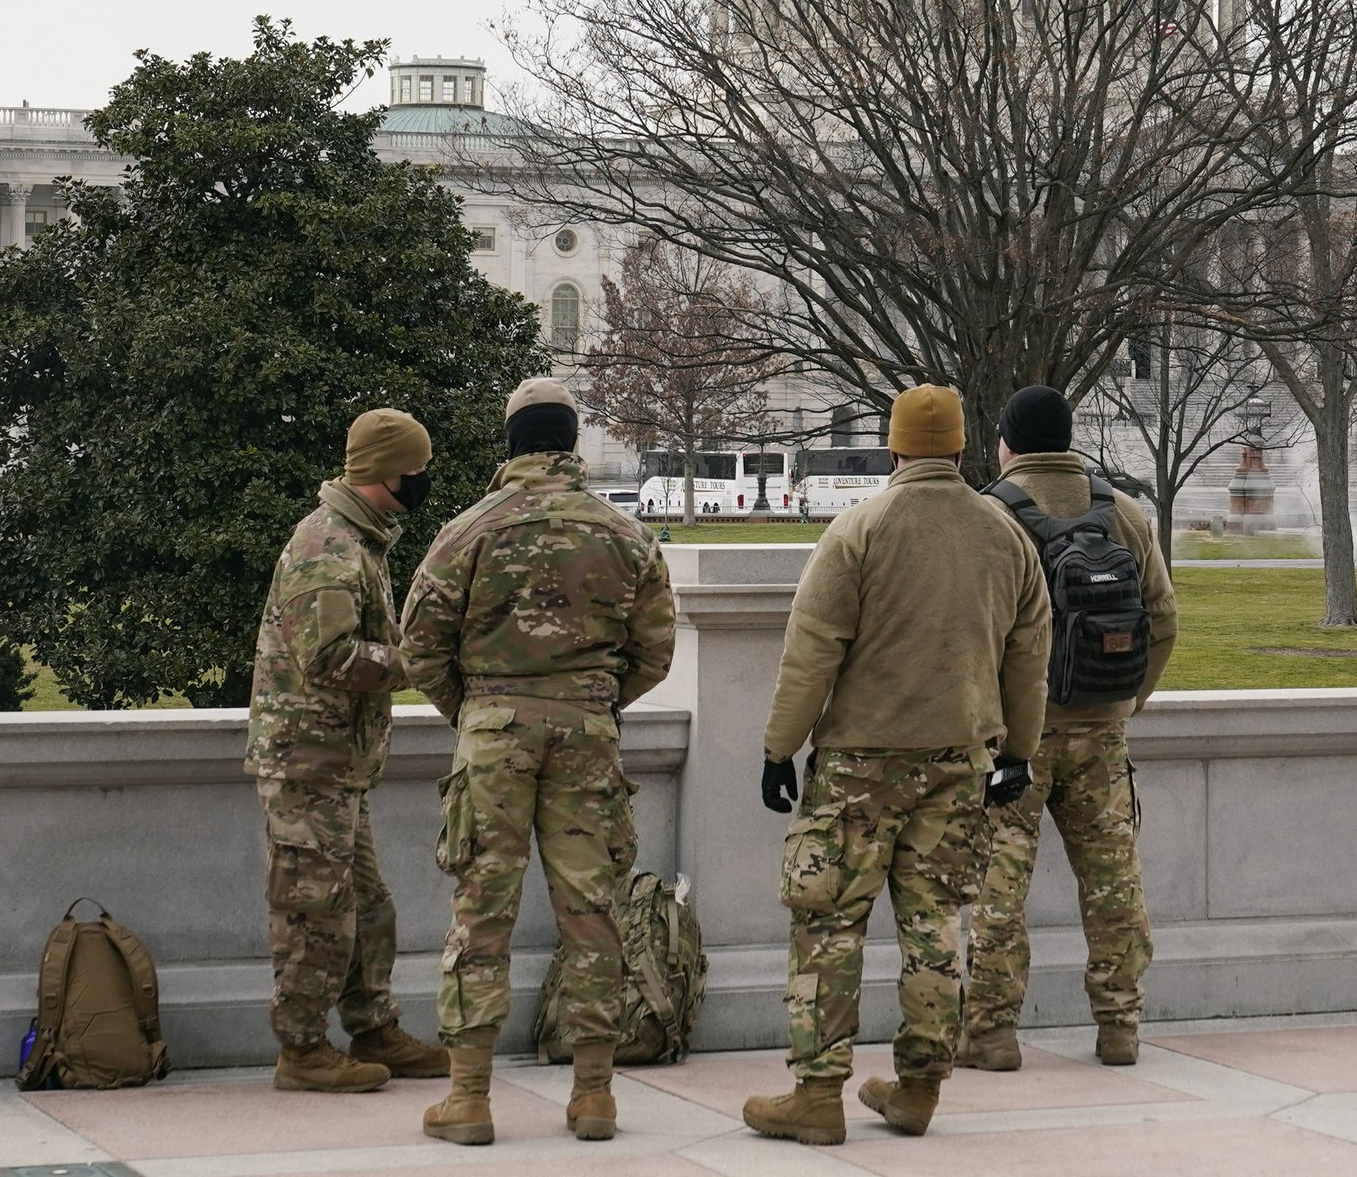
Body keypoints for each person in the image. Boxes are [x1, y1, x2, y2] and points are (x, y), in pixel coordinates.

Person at [741, 385, 1049, 1146]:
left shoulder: (860, 529)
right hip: (959, 760)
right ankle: (918, 1088)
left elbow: (811, 651)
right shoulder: (1003, 534)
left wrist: (780, 748)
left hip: (858, 766)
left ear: (894, 446)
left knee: (828, 924)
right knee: (936, 923)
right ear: (962, 448)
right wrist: (1018, 753)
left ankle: (817, 1094)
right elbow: (1029, 656)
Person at [398, 376, 675, 1147]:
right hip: (587, 731)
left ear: (512, 444)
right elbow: (655, 652)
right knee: (594, 915)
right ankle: (593, 1096)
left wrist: (476, 708)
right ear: (573, 442)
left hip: (494, 730)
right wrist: (593, 695)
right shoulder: (625, 534)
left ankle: (469, 1098)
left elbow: (419, 644)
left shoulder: (468, 530)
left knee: (481, 912)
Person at [960, 385, 1176, 1069]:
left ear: (1008, 442)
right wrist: (1124, 705)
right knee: (1113, 880)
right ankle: (1120, 1027)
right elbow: (1163, 620)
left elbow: (970, 633)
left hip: (1013, 741)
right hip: (1101, 734)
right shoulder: (1125, 514)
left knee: (999, 886)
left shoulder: (990, 516)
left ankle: (991, 1034)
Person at [244, 406, 453, 1092]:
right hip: (308, 761)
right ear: (387, 472)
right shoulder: (328, 547)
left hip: (337, 764)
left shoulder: (360, 538)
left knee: (366, 904)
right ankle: (301, 1050)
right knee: (315, 910)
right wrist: (417, 662)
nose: (424, 479)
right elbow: (328, 656)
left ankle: (373, 1027)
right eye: (418, 469)